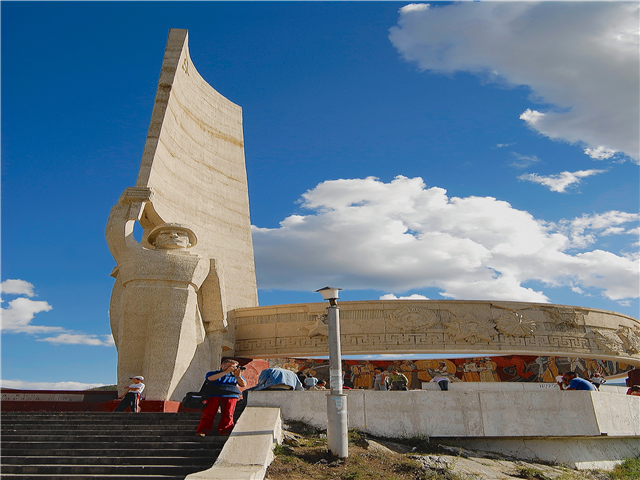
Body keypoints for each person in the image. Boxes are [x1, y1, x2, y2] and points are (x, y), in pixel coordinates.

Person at [196, 360, 246, 437]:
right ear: (222, 366)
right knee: (208, 413)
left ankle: (225, 430)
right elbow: (210, 378)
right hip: (214, 394)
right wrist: (226, 372)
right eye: (229, 366)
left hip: (231, 394)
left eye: (234, 367)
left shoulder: (235, 375)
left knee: (228, 414)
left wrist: (238, 376)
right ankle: (203, 430)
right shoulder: (213, 373)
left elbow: (243, 384)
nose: (232, 368)